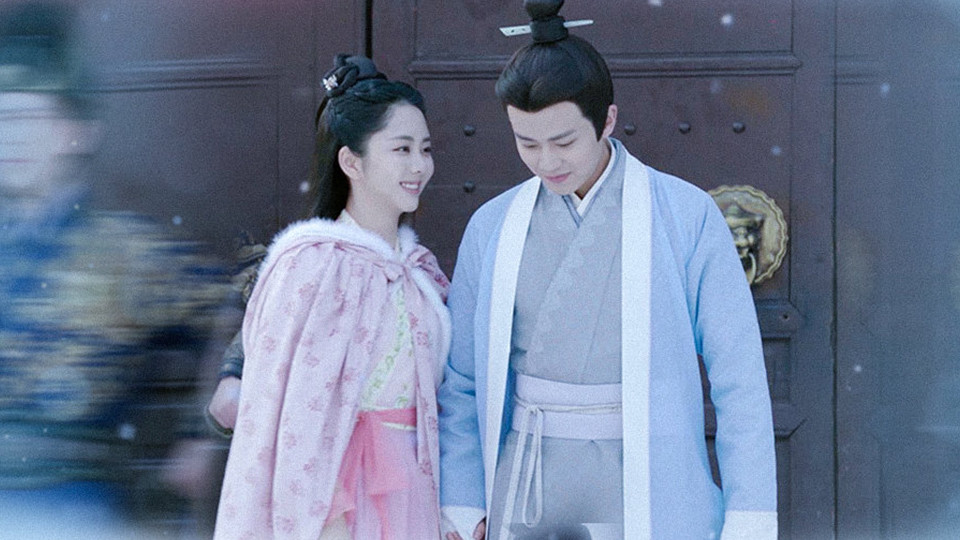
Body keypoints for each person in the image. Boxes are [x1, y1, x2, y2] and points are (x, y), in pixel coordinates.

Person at [437, 1, 778, 539]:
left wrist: (749, 514)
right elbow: (461, 379)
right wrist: (463, 497)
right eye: (527, 143)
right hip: (527, 477)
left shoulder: (685, 215)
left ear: (608, 120)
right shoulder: (492, 226)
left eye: (564, 141)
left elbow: (739, 379)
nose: (547, 161)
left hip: (651, 476)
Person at [0, 2, 226, 538]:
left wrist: (203, 434)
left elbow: (249, 314)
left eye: (31, 118)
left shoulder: (128, 254)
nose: (12, 138)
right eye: (2, 120)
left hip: (77, 512)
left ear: (76, 131)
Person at [212, 54, 451, 540]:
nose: (419, 166)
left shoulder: (421, 271)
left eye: (425, 150)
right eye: (401, 149)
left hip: (415, 487)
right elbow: (295, 412)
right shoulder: (313, 265)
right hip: (338, 496)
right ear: (351, 161)